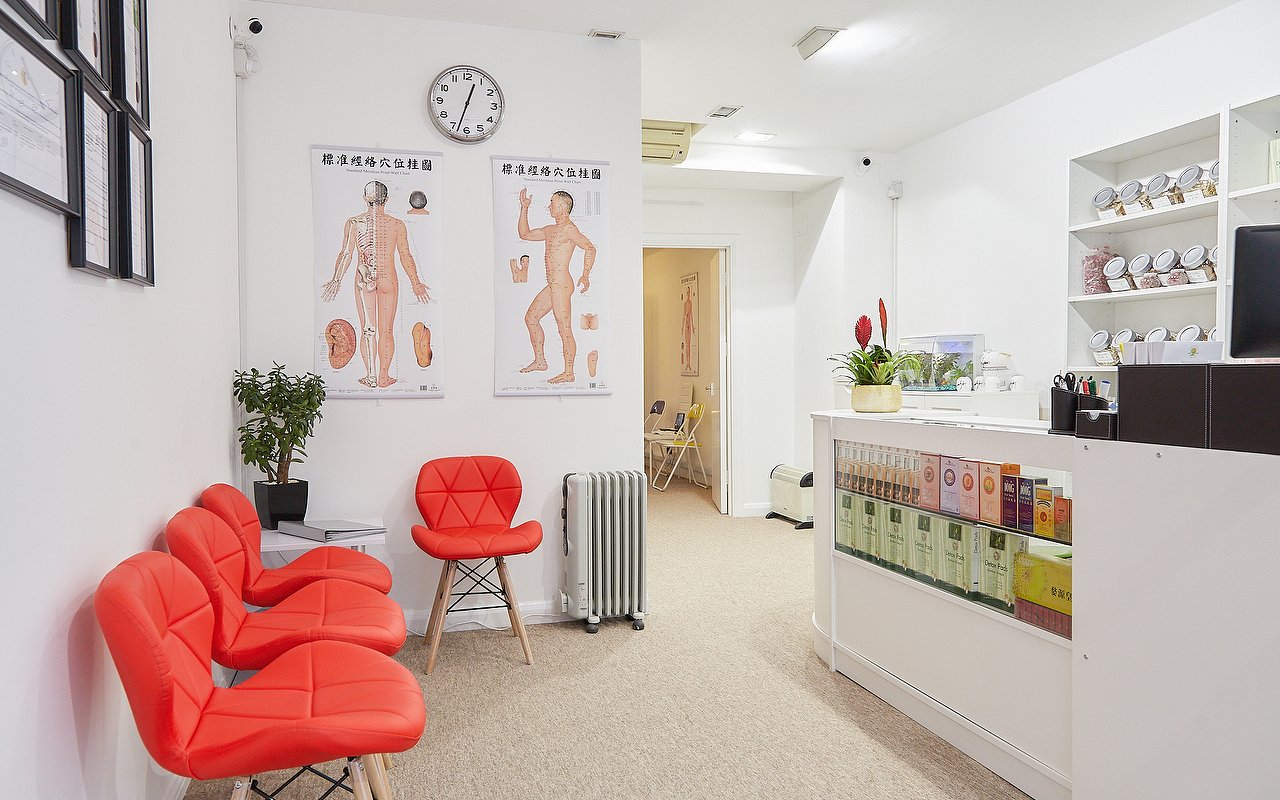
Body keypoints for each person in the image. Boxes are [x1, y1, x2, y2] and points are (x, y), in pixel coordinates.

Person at [322, 181, 430, 388]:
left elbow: (346, 253)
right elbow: (405, 255)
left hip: (364, 279)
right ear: (386, 199)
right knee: (386, 331)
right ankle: (383, 377)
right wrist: (416, 283)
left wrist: (337, 279)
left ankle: (370, 376)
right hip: (388, 278)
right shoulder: (396, 224)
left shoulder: (354, 223)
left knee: (368, 330)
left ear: (365, 198)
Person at [517, 188, 597, 384]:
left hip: (562, 285)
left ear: (562, 206)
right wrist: (524, 208)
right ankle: (540, 361)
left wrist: (585, 275)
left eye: (552, 202)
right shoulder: (550, 230)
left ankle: (569, 372)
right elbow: (524, 234)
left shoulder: (569, 229)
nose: (549, 206)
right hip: (553, 285)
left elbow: (590, 248)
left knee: (564, 327)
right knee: (531, 318)